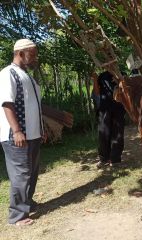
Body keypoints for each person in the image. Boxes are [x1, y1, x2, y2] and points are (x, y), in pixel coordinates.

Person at [0, 39, 45, 226]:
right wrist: (17, 131)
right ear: (20, 53)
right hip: (16, 136)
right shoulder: (8, 73)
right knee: (21, 174)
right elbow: (7, 103)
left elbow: (34, 105)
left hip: (33, 134)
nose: (35, 58)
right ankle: (17, 216)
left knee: (32, 172)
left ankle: (27, 203)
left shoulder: (27, 76)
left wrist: (41, 129)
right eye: (32, 54)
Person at [91, 71, 126, 168]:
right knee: (103, 133)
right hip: (104, 108)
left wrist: (119, 80)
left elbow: (126, 90)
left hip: (118, 108)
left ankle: (115, 160)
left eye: (111, 57)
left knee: (118, 134)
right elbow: (97, 92)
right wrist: (95, 79)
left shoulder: (121, 73)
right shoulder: (102, 76)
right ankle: (103, 159)